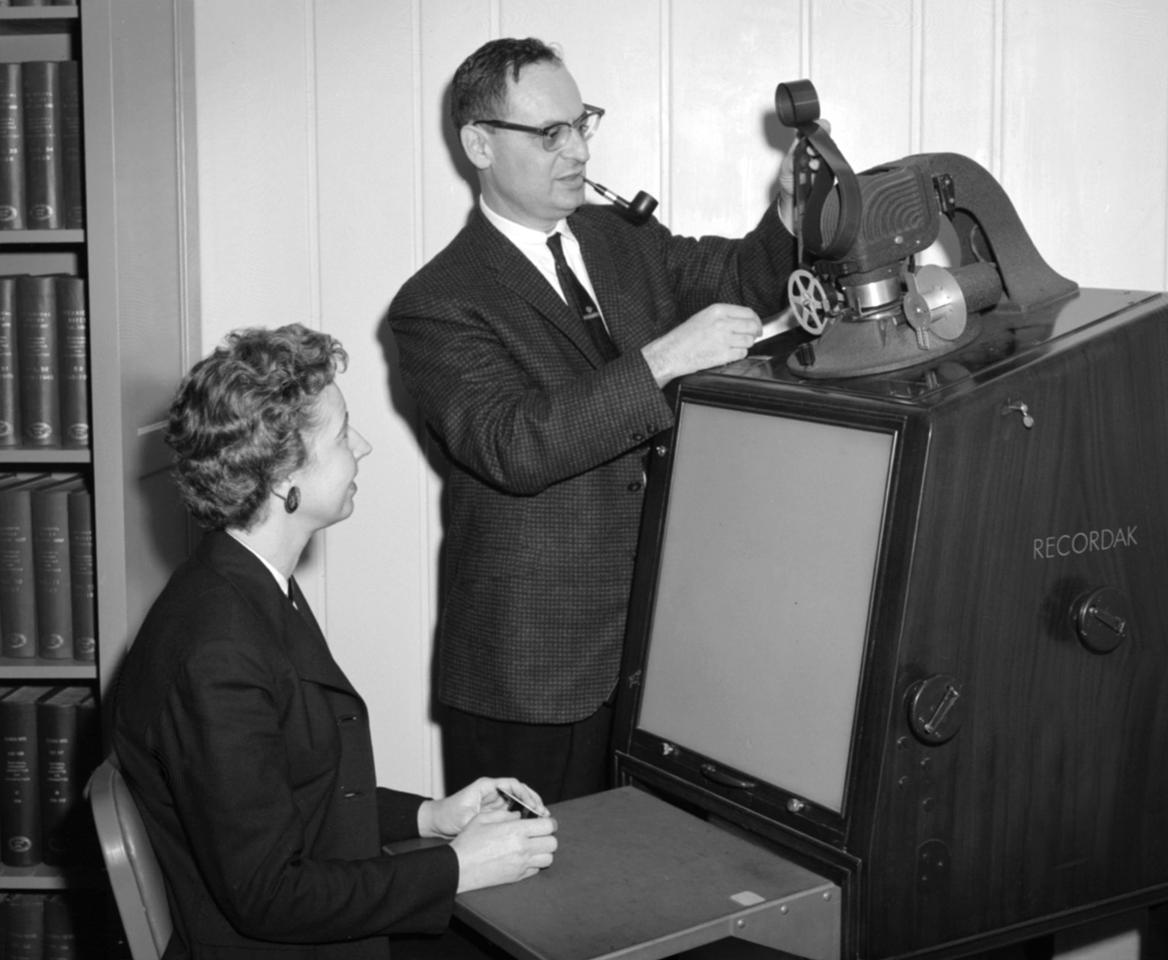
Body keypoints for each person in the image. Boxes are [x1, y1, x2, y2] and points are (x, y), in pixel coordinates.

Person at [388, 37, 798, 804]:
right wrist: (663, 359)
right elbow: (514, 444)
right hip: (534, 676)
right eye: (551, 133)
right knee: (538, 875)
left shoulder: (619, 239)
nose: (577, 149)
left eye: (581, 124)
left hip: (656, 652)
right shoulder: (436, 302)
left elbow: (740, 278)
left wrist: (792, 210)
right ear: (479, 144)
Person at [111, 324, 557, 960]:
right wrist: (459, 867)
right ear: (281, 475)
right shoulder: (218, 653)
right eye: (344, 435)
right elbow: (271, 896)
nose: (363, 447)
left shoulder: (242, 584)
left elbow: (294, 792)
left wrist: (432, 817)